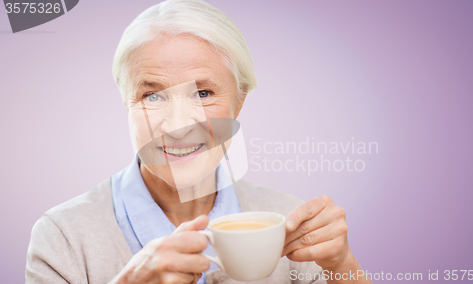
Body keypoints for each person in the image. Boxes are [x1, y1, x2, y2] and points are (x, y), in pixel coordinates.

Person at [25, 1, 371, 283]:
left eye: (203, 93)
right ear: (126, 103)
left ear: (239, 102)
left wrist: (342, 265)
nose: (178, 127)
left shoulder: (286, 222)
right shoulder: (63, 237)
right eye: (152, 96)